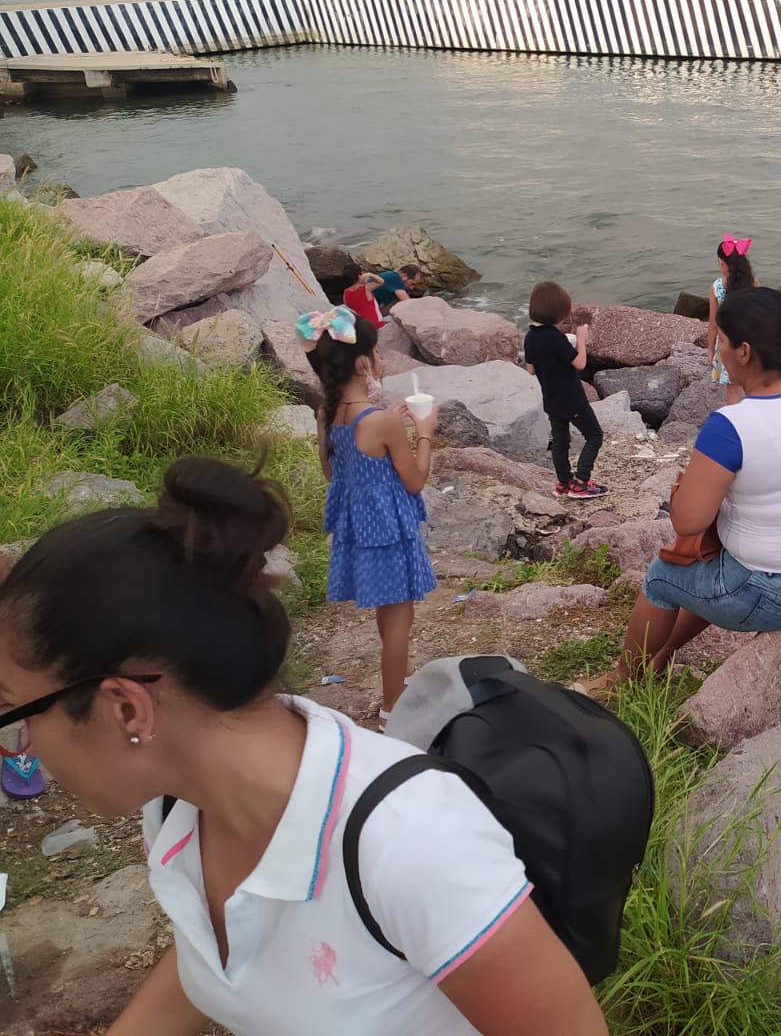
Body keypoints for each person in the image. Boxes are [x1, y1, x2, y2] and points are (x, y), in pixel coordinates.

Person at [0, 459, 608, 1036]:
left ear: (125, 707)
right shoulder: (176, 809)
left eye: (17, 711)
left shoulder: (409, 844)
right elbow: (215, 963)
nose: (21, 742)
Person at [576, 288, 781, 696]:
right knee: (713, 560)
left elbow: (688, 521)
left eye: (721, 341)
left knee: (662, 577)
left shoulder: (731, 425)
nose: (716, 350)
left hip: (780, 592)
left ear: (743, 352)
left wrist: (686, 487)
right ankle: (664, 651)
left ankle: (623, 678)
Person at [305, 306, 437, 723]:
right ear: (364, 362)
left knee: (389, 609)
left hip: (360, 529)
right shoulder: (380, 422)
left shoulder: (328, 413)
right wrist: (425, 432)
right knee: (400, 618)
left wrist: (390, 423)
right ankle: (392, 707)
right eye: (377, 352)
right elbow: (415, 480)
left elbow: (331, 471)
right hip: (388, 529)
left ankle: (396, 685)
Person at [524, 281, 608, 501]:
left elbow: (530, 369)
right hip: (571, 399)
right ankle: (580, 482)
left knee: (561, 442)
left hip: (551, 400)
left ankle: (563, 483)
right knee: (594, 436)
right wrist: (581, 340)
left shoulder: (531, 337)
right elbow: (580, 364)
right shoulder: (556, 337)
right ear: (558, 312)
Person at [707, 235, 757, 405]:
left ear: (721, 263)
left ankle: (737, 425)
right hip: (749, 344)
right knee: (750, 386)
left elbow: (713, 325)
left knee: (732, 390)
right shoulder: (753, 283)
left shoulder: (717, 287)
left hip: (726, 346)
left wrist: (710, 352)